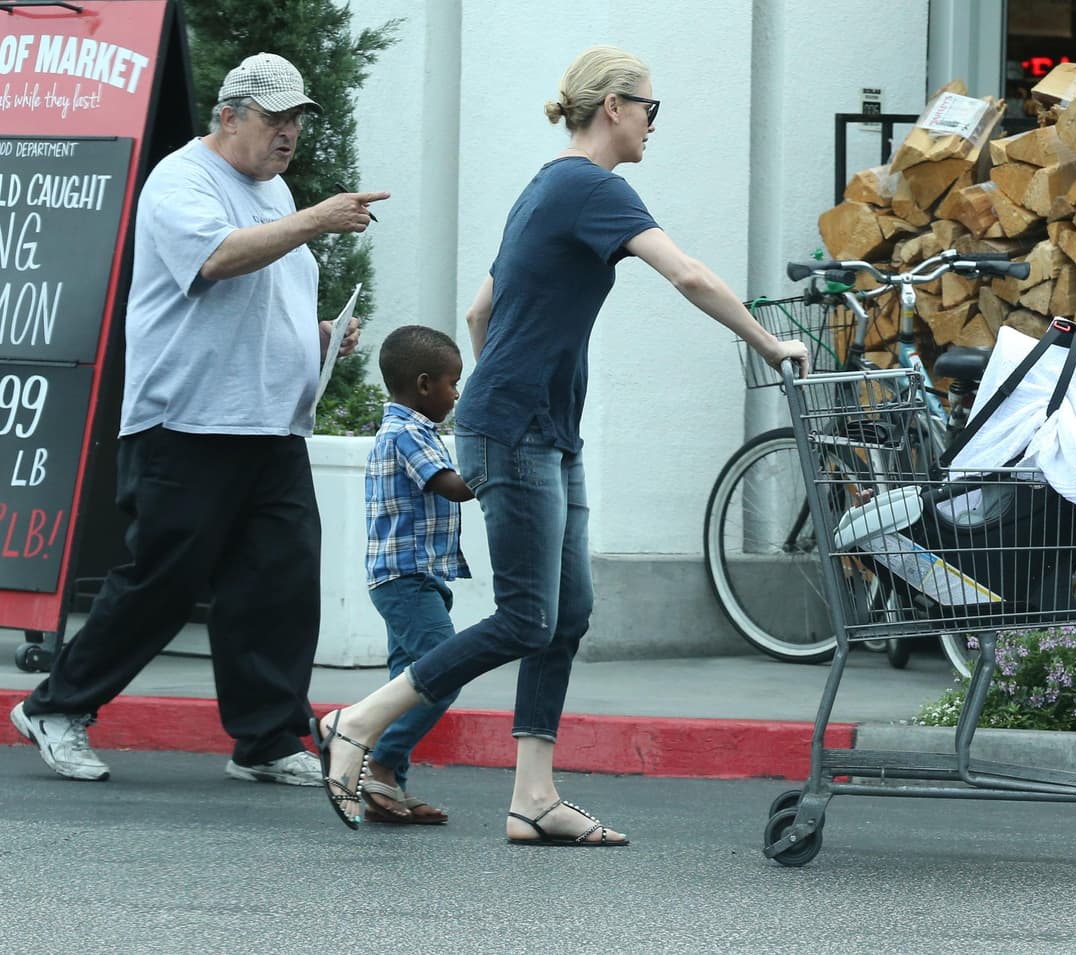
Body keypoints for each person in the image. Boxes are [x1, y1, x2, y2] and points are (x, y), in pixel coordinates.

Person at [311, 45, 808, 838]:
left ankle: (533, 797)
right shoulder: (591, 186)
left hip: (539, 427)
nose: (653, 122)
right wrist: (768, 342)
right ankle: (359, 722)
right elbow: (686, 274)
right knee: (524, 616)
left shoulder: (545, 184)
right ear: (613, 105)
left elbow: (482, 312)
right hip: (516, 431)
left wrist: (510, 379)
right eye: (650, 106)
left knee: (566, 612)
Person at [9, 52, 388, 786]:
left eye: (296, 121)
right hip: (186, 422)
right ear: (228, 115)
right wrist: (318, 219)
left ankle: (267, 739)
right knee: (161, 582)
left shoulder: (273, 190)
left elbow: (257, 296)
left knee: (276, 583)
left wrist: (315, 334)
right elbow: (215, 260)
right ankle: (55, 707)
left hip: (268, 425)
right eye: (274, 118)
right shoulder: (182, 180)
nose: (287, 134)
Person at [357, 326, 472, 825]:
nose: (457, 393)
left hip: (413, 576)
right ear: (424, 385)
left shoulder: (412, 431)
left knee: (405, 682)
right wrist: (501, 470)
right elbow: (453, 487)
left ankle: (389, 787)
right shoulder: (406, 433)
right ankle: (378, 763)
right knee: (441, 673)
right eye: (453, 383)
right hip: (405, 578)